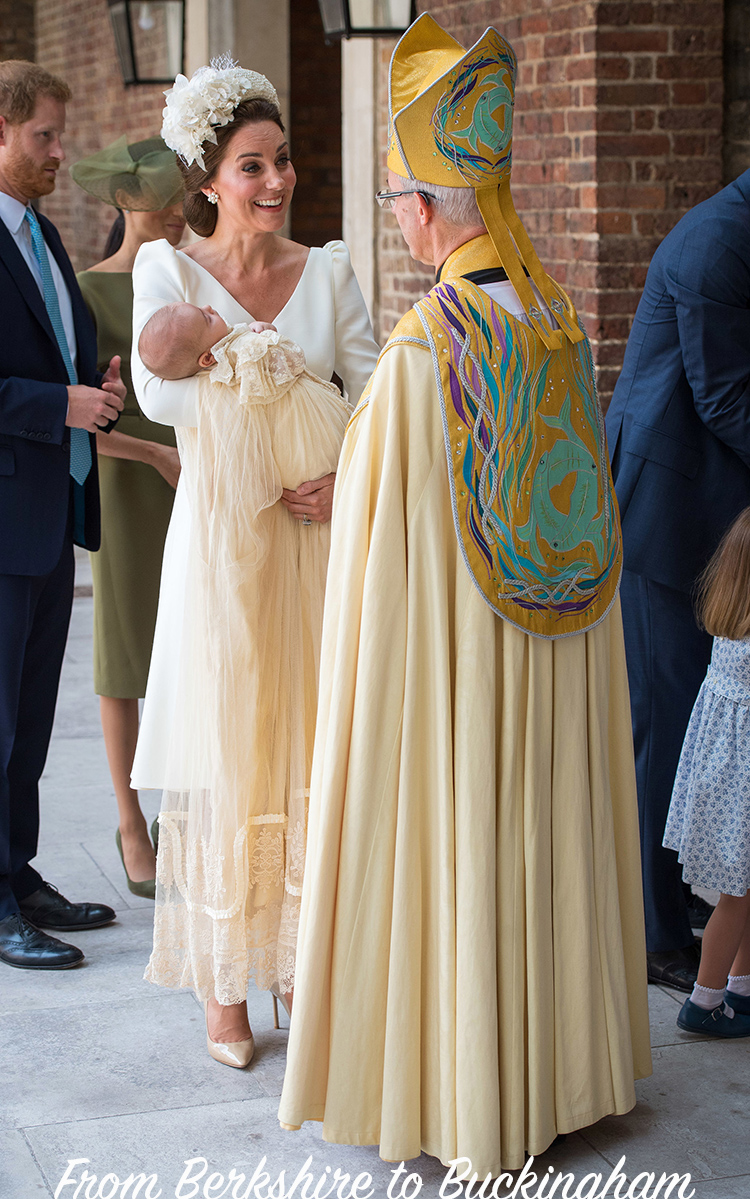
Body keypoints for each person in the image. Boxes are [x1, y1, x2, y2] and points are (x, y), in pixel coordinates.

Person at [278, 15, 651, 1175]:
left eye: (395, 200)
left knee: (463, 830)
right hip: (552, 657)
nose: (395, 220)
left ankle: (468, 1084)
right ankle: (559, 1071)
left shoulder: (420, 360)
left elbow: (379, 599)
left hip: (458, 681)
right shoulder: (552, 324)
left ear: (432, 207)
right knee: (543, 830)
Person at [129, 60, 379, 1062]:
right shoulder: (169, 273)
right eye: (252, 165)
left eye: (282, 160)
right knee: (235, 750)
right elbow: (161, 396)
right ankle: (222, 987)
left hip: (315, 541)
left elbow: (370, 394)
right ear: (207, 177)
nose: (276, 180)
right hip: (227, 551)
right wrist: (225, 361)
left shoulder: (331, 271)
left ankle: (295, 965)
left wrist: (348, 472)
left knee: (312, 742)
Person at [606, 168, 750, 992]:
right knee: (663, 718)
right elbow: (727, 395)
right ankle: (656, 926)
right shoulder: (716, 243)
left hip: (715, 504)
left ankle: (691, 901)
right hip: (664, 509)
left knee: (704, 715)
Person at [0, 60, 125, 971]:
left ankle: (19, 872)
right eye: (44, 135)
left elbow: (61, 352)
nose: (58, 151)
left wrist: (100, 384)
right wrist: (61, 408)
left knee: (31, 718)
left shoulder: (41, 234)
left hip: (45, 519)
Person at [69, 136, 185, 900]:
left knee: (192, 643)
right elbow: (81, 415)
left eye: (183, 195)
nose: (177, 211)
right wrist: (152, 457)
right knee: (123, 655)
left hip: (196, 470)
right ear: (124, 201)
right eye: (161, 196)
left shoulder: (193, 279)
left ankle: (185, 814)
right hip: (128, 478)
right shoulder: (87, 291)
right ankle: (130, 820)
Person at [662, 509, 750, 1037]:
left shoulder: (732, 626)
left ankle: (740, 986)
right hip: (741, 787)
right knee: (735, 901)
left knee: (745, 894)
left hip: (727, 780)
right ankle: (704, 1000)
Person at [137, 301, 275, 377]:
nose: (207, 307)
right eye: (207, 318)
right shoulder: (234, 358)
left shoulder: (224, 341)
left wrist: (252, 329)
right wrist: (265, 335)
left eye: (199, 308)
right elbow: (280, 365)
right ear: (208, 358)